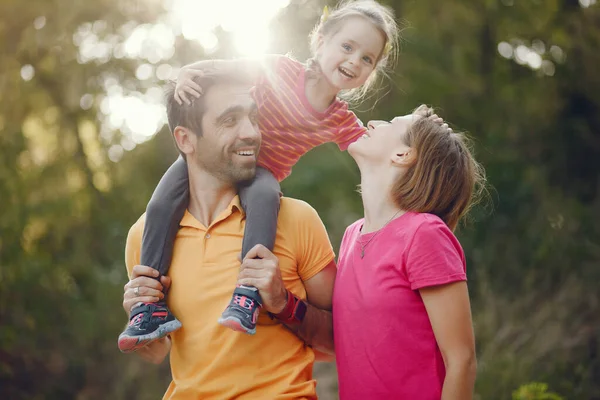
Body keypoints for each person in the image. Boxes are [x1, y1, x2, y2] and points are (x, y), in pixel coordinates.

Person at [117, 0, 400, 349]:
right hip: (227, 156)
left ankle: (247, 294)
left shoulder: (339, 119)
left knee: (267, 197)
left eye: (367, 59)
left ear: (371, 72)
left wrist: (412, 137)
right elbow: (228, 67)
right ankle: (148, 306)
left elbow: (373, 151)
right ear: (321, 41)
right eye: (347, 47)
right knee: (160, 205)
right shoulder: (281, 70)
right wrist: (189, 72)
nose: (355, 60)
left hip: (259, 173)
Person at [119, 73, 337, 399]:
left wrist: (283, 303)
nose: (251, 132)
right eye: (230, 120)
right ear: (185, 139)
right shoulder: (143, 236)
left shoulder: (296, 219)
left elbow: (344, 339)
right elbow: (159, 352)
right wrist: (141, 325)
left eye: (253, 117)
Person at [333, 105, 482, 399]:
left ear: (403, 155)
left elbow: (461, 361)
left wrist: (426, 133)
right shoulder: (352, 235)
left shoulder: (424, 233)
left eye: (389, 121)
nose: (373, 122)